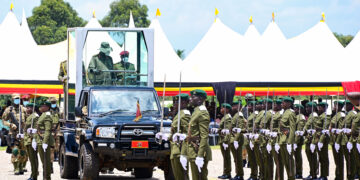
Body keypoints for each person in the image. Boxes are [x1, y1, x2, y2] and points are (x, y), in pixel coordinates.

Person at [181, 89, 212, 180]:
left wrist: (200, 155)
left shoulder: (202, 112)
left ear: (200, 99)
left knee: (199, 177)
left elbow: (204, 136)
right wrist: (183, 153)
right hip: (192, 149)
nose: (190, 99)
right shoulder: (196, 111)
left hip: (198, 149)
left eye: (193, 97)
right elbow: (189, 134)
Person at [2, 93, 27, 175]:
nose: (17, 100)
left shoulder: (23, 109)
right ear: (12, 99)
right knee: (15, 150)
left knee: (23, 151)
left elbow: (28, 119)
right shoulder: (8, 110)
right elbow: (4, 121)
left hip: (23, 133)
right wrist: (10, 125)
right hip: (13, 133)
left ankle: (21, 167)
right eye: (16, 99)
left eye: (18, 99)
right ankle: (16, 168)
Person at [168, 93, 191, 180]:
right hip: (175, 148)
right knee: (177, 175)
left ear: (184, 103)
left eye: (177, 102)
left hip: (180, 149)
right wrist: (167, 136)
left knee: (182, 174)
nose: (174, 104)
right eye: (174, 102)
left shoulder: (185, 114)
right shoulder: (179, 114)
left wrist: (184, 153)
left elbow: (187, 134)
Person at [36, 101, 54, 180]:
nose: (41, 107)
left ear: (47, 107)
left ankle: (47, 178)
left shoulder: (47, 115)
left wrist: (45, 142)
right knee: (44, 162)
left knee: (46, 162)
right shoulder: (43, 115)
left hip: (44, 140)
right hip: (40, 140)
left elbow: (47, 130)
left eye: (43, 106)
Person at [279, 97, 296, 180]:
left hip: (287, 140)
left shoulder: (291, 113)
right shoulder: (284, 112)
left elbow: (292, 128)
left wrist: (290, 142)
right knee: (285, 162)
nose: (282, 104)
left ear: (289, 104)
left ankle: (291, 178)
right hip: (282, 140)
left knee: (289, 162)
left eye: (284, 102)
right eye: (282, 102)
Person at [340, 100, 357, 179]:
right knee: (348, 161)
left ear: (350, 105)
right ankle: (349, 176)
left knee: (351, 161)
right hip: (344, 140)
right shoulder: (347, 114)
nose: (344, 107)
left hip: (349, 140)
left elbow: (355, 127)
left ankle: (351, 176)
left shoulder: (353, 114)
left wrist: (350, 131)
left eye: (346, 105)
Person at [230, 101, 246, 180]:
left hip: (237, 140)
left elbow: (240, 129)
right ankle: (237, 174)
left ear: (239, 107)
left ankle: (240, 175)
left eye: (234, 106)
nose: (233, 108)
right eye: (233, 106)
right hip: (233, 139)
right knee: (236, 158)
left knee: (238, 158)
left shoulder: (239, 115)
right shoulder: (235, 115)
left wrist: (236, 140)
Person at [315, 102, 331, 180]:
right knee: (321, 158)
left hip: (323, 140)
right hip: (318, 139)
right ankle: (321, 175)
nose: (319, 109)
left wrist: (321, 141)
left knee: (324, 158)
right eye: (318, 107)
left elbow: (325, 130)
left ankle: (324, 175)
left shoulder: (326, 116)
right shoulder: (320, 116)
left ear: (325, 108)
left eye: (320, 107)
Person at [330, 101, 345, 180]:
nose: (333, 107)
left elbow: (341, 130)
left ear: (339, 107)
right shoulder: (335, 115)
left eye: (335, 106)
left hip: (337, 141)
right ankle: (337, 176)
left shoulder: (341, 115)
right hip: (333, 140)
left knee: (339, 160)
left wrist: (337, 142)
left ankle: (340, 177)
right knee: (337, 160)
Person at [303, 101, 319, 180]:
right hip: (308, 140)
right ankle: (312, 173)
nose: (306, 109)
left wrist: (314, 141)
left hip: (312, 140)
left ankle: (314, 174)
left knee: (313, 158)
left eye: (308, 107)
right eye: (306, 107)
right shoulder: (310, 116)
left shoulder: (314, 116)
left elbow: (316, 129)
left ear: (312, 108)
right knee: (310, 158)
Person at [24, 103, 39, 180]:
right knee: (31, 159)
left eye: (28, 108)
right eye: (26, 108)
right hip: (28, 140)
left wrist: (34, 139)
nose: (27, 109)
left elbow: (36, 129)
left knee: (33, 159)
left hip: (31, 140)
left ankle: (34, 176)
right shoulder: (30, 116)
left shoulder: (35, 116)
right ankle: (33, 174)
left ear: (33, 108)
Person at [243, 101, 258, 180]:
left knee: (253, 158)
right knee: (251, 158)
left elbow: (255, 128)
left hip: (252, 138)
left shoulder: (255, 115)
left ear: (253, 107)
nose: (248, 108)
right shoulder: (251, 115)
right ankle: (253, 174)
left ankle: (254, 175)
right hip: (248, 138)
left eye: (249, 106)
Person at [217, 103, 232, 179]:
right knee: (225, 157)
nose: (221, 109)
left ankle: (227, 173)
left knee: (226, 157)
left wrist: (226, 141)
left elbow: (228, 130)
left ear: (227, 109)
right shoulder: (224, 117)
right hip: (222, 140)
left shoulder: (228, 117)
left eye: (222, 108)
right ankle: (225, 172)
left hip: (225, 141)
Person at [271, 99, 284, 180]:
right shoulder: (275, 114)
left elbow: (280, 128)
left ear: (279, 106)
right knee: (276, 161)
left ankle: (279, 178)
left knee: (279, 162)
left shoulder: (281, 114)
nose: (274, 106)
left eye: (275, 105)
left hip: (278, 139)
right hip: (272, 138)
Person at [253, 100, 265, 180]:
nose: (256, 105)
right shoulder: (258, 113)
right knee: (258, 159)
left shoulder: (263, 113)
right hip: (256, 137)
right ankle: (260, 174)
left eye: (258, 104)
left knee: (261, 159)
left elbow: (261, 125)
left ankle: (262, 175)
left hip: (260, 137)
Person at [293, 104, 306, 179]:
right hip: (294, 140)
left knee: (298, 157)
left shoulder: (301, 117)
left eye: (296, 108)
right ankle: (296, 172)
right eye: (294, 108)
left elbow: (299, 131)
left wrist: (296, 142)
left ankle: (299, 173)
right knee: (296, 157)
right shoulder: (296, 116)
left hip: (298, 141)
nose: (295, 110)